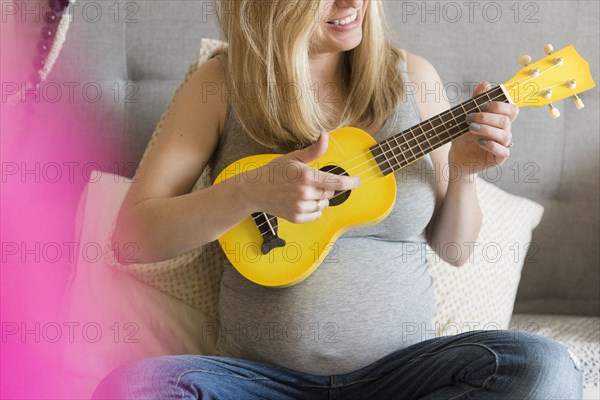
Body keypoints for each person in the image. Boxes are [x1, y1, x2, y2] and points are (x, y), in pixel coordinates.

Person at [92, 0, 583, 398]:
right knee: (133, 388)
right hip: (259, 382)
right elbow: (131, 241)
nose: (351, 4)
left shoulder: (412, 77)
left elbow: (455, 250)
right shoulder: (222, 83)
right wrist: (246, 191)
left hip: (403, 379)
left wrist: (463, 173)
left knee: (543, 368)